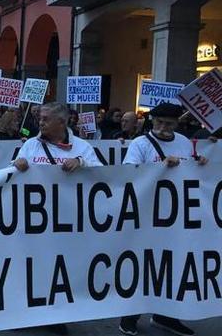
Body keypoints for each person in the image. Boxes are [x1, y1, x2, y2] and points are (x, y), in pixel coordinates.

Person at [12, 102, 102, 336]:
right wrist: (17, 164)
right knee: (32, 264)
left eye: (45, 119)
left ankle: (55, 314)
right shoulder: (31, 145)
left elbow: (102, 174)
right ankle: (26, 311)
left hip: (66, 221)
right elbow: (13, 173)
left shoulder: (81, 147)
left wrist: (82, 163)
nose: (39, 122)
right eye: (39, 118)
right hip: (34, 220)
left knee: (60, 267)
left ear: (62, 122)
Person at [119, 103, 207, 336]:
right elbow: (129, 172)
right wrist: (160, 166)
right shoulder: (140, 144)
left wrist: (200, 165)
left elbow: (190, 169)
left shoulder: (184, 142)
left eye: (169, 124)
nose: (163, 127)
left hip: (176, 216)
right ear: (152, 122)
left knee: (174, 264)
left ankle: (166, 316)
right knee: (144, 264)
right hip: (147, 215)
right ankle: (130, 316)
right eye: (159, 122)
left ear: (177, 124)